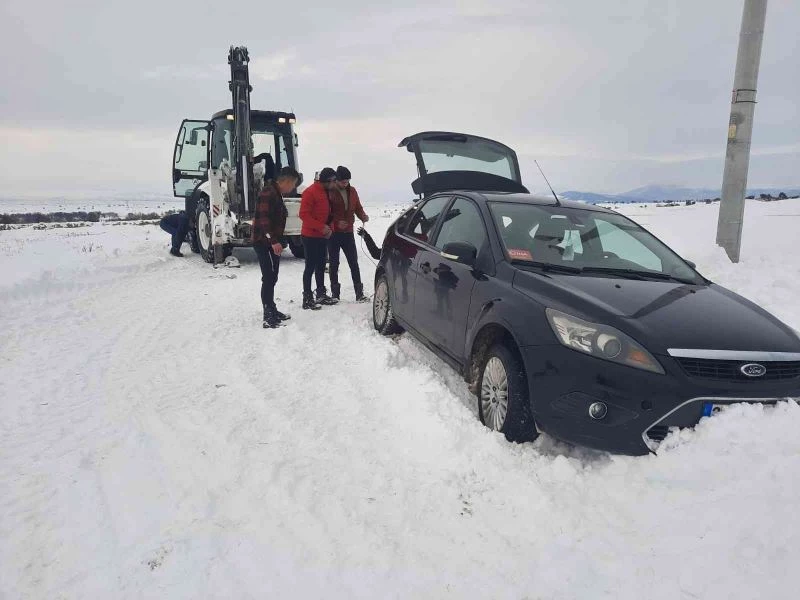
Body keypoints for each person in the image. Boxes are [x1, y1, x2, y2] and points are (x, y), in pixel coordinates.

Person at [252, 166, 300, 328]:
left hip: (271, 243)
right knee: (268, 277)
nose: (293, 188)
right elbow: (264, 220)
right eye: (293, 184)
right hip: (264, 243)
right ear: (286, 181)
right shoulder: (268, 192)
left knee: (272, 276)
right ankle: (268, 315)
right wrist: (273, 241)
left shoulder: (276, 193)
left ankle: (272, 308)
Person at [328, 166, 370, 301]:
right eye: (342, 181)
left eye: (347, 181)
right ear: (336, 180)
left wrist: (362, 215)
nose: (345, 183)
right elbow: (326, 213)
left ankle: (359, 293)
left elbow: (357, 207)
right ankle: (335, 294)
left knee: (353, 262)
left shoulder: (352, 191)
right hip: (333, 233)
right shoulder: (330, 191)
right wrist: (336, 223)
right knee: (334, 263)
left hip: (348, 233)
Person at [299, 167, 338, 309]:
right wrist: (321, 227)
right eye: (333, 181)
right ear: (326, 181)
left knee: (321, 265)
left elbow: (329, 214)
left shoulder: (328, 192)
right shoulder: (310, 192)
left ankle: (321, 294)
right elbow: (304, 215)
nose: (335, 183)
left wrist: (330, 229)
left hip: (323, 236)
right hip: (310, 236)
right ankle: (307, 298)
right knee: (310, 267)